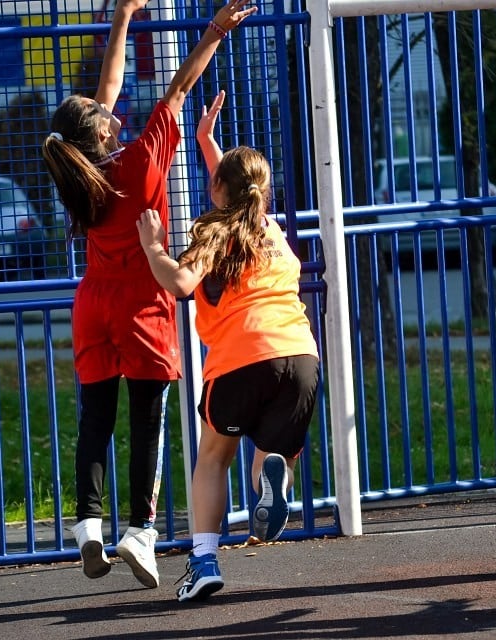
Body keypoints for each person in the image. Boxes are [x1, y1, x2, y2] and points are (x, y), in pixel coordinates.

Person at [41, 0, 257, 588]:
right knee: (147, 423)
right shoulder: (137, 163)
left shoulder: (81, 173)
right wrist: (215, 30)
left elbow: (106, 86)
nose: (106, 104)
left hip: (94, 307)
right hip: (142, 308)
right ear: (103, 128)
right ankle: (139, 531)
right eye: (101, 110)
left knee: (95, 421)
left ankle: (88, 526)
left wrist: (122, 16)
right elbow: (181, 86)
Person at [136, 90, 320, 602]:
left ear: (217, 188)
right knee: (273, 451)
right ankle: (273, 482)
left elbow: (178, 283)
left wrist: (153, 246)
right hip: (300, 355)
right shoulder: (272, 230)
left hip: (240, 358)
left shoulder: (213, 233)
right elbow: (240, 191)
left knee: (213, 458)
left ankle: (204, 560)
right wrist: (207, 142)